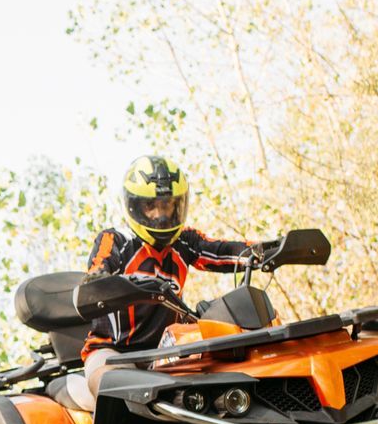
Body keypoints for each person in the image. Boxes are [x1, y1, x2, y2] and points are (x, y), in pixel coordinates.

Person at [70, 155, 262, 405]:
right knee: (114, 386)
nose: (161, 215)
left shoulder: (184, 241)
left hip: (169, 351)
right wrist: (97, 281)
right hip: (113, 352)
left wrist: (266, 250)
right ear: (135, 207)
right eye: (151, 206)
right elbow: (98, 267)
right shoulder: (116, 240)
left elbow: (222, 250)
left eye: (168, 205)